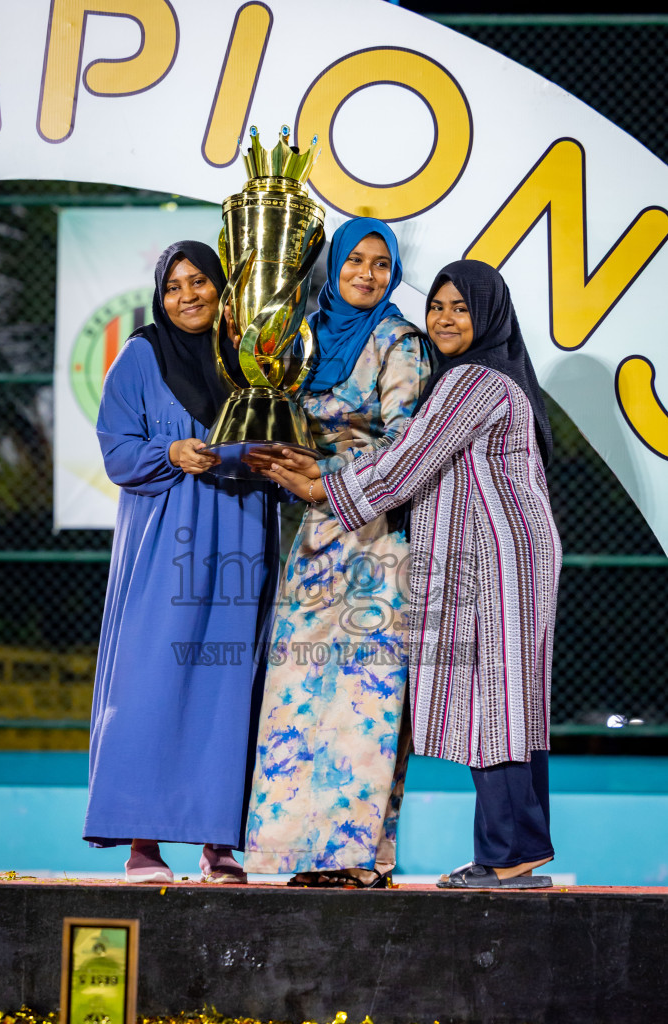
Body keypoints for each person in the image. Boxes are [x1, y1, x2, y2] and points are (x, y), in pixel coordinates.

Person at [261, 259, 562, 890]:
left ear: (489, 317)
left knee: (499, 705)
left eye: (460, 308)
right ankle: (521, 850)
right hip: (508, 554)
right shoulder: (493, 379)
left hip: (495, 557)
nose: (444, 319)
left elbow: (403, 465)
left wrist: (318, 487)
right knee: (514, 702)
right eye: (438, 307)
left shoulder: (472, 383)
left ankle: (509, 857)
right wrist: (320, 479)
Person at [83, 240, 280, 884]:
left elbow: (277, 440)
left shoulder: (251, 357)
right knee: (152, 681)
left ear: (223, 291)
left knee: (227, 688)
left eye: (201, 282)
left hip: (242, 533)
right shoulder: (139, 357)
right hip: (165, 536)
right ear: (160, 297)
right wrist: (172, 453)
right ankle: (144, 843)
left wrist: (233, 456)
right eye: (174, 285)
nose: (187, 295)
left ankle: (219, 844)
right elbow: (118, 452)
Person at [242, 217, 431, 887]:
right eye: (357, 260)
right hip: (316, 536)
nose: (368, 274)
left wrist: (325, 472)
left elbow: (407, 447)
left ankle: (353, 857)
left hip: (377, 534)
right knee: (296, 691)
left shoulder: (399, 342)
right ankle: (289, 854)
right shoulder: (304, 340)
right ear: (337, 265)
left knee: (365, 694)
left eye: (382, 264)